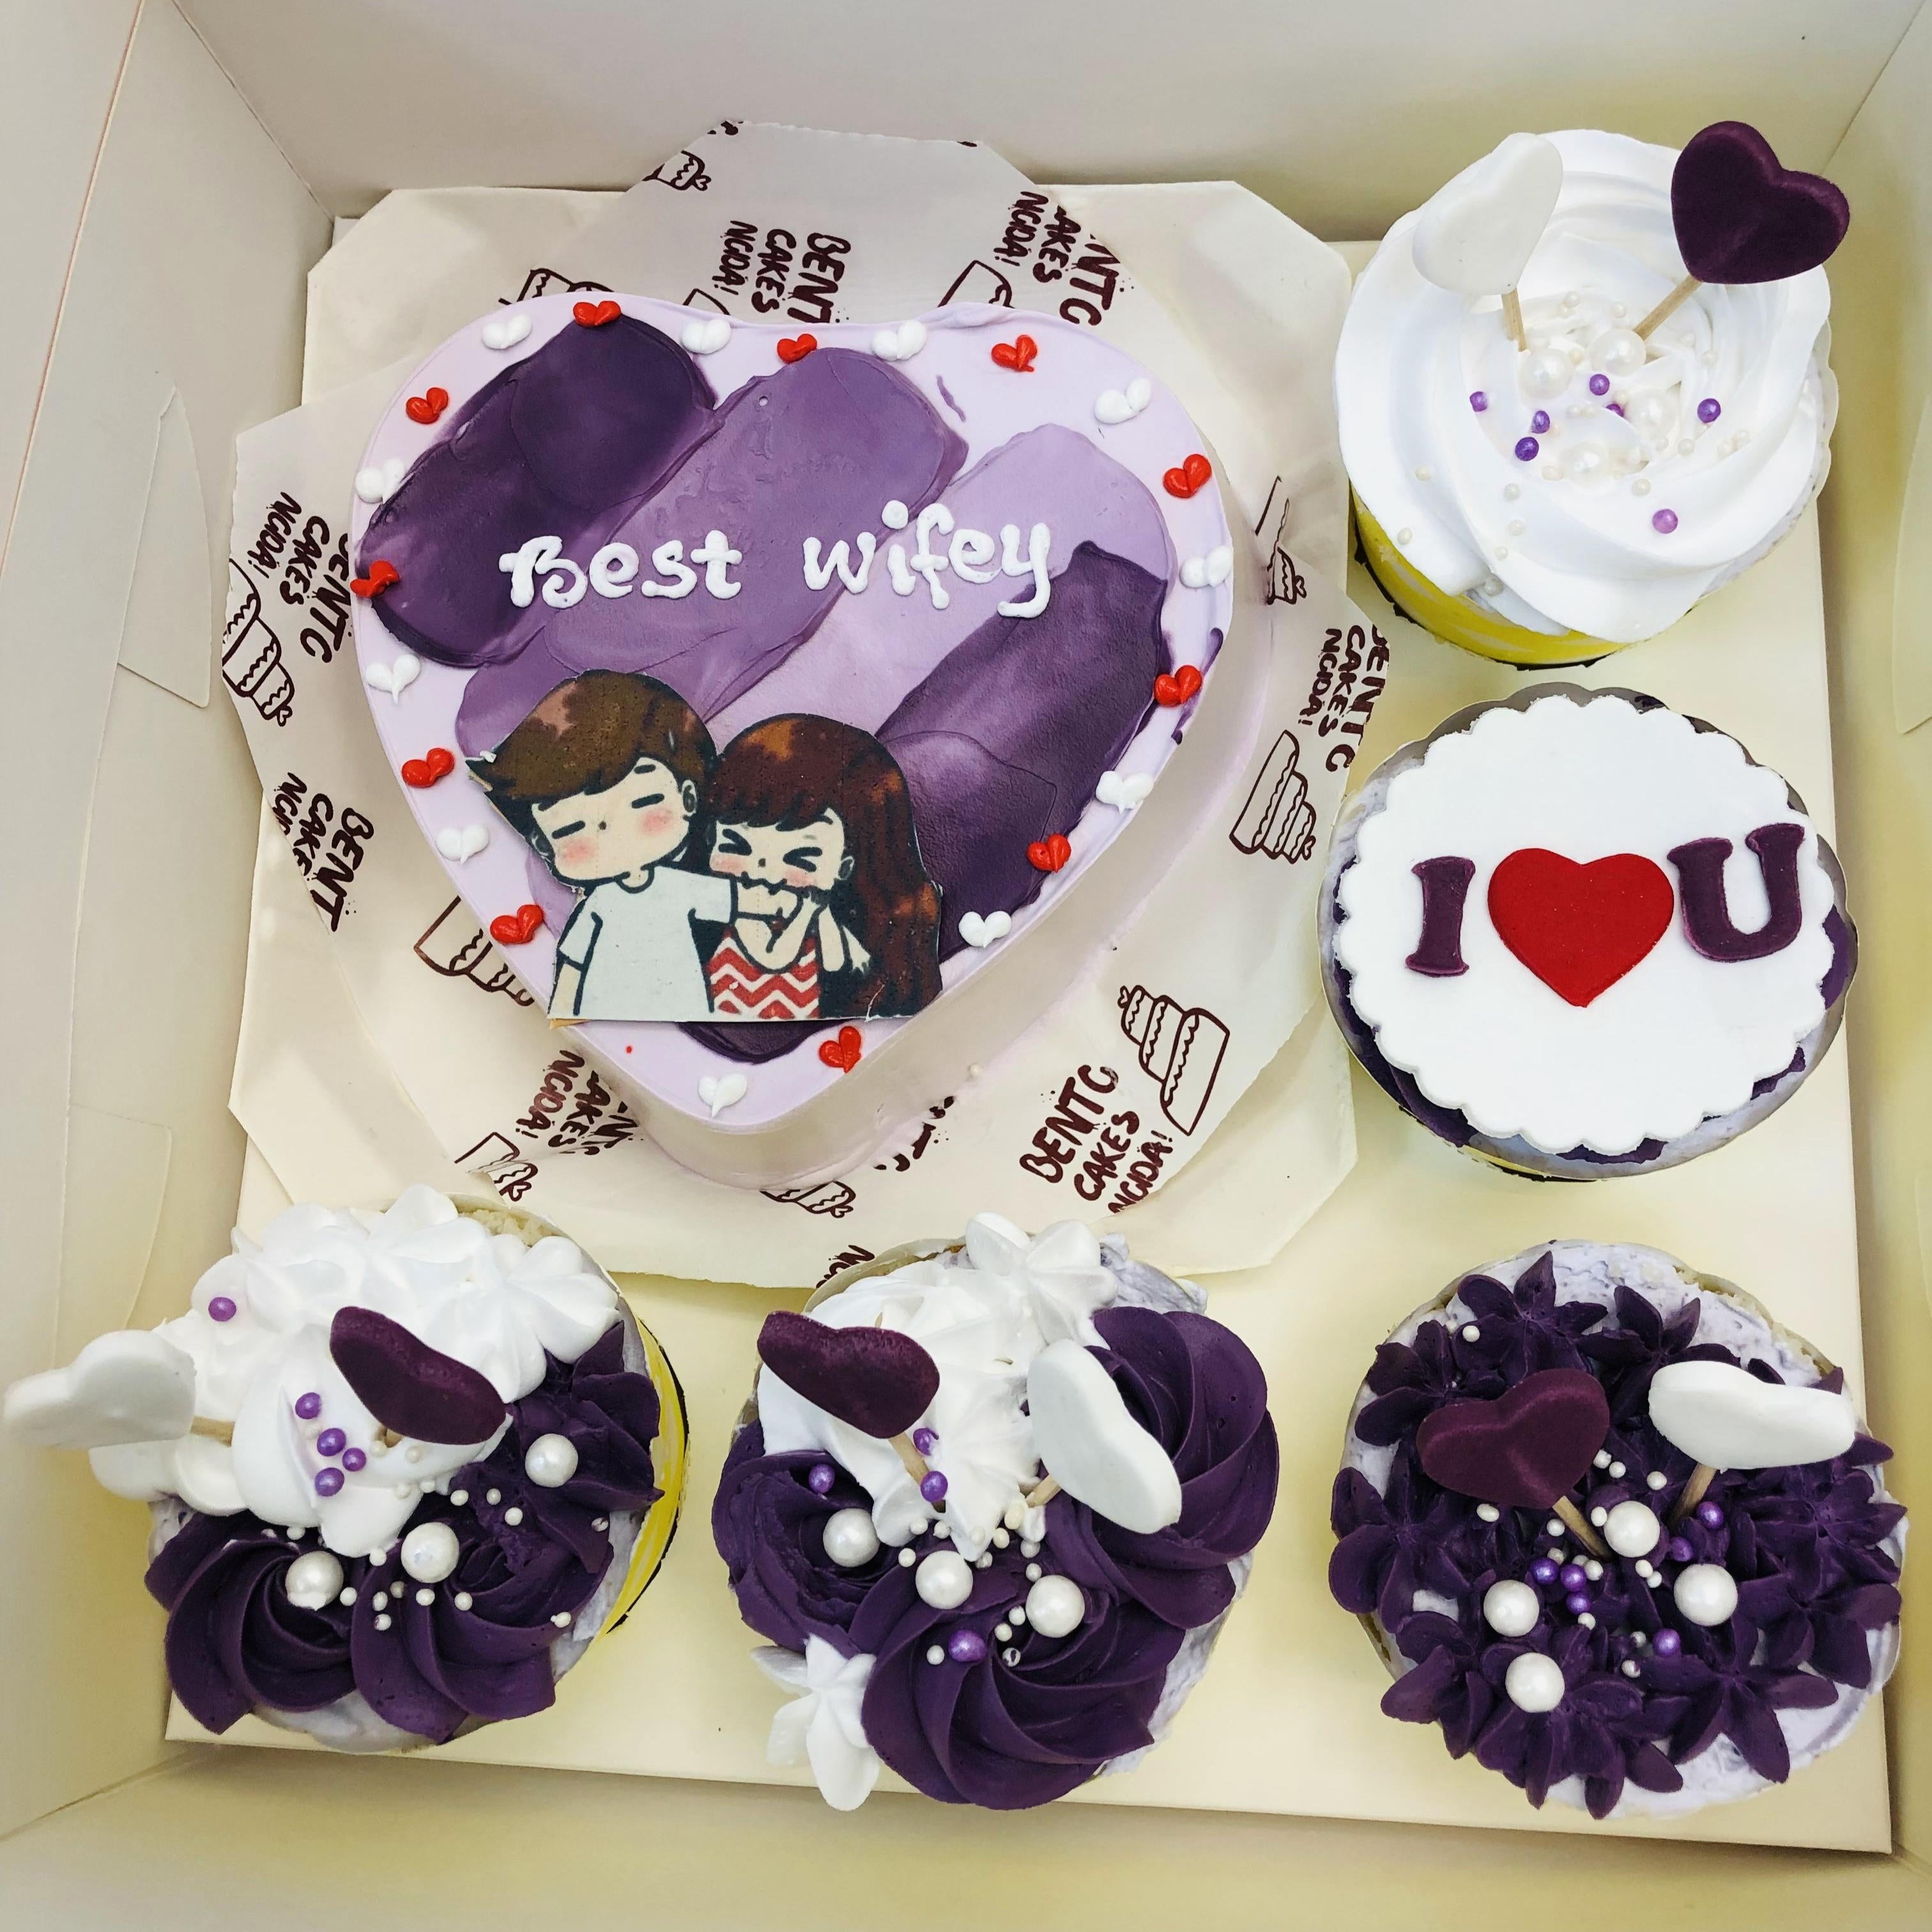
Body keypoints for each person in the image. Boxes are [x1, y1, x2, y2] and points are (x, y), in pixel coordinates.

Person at [470, 670, 727, 1020]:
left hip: (685, 1001)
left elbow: (747, 909)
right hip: (615, 1001)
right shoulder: (598, 905)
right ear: (545, 846)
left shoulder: (683, 887)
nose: (609, 833)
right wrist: (567, 1011)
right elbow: (575, 963)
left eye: (643, 803)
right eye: (572, 829)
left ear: (688, 798)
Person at [702, 715, 942, 1020]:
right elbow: (773, 958)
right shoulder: (746, 912)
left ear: (845, 868)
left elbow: (837, 961)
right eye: (736, 846)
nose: (763, 872)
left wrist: (824, 916)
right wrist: (808, 914)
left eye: (801, 859)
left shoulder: (850, 920)